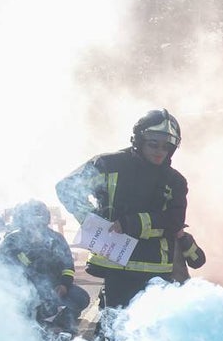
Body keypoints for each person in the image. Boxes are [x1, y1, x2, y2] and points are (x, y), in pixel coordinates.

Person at [56, 108, 188, 316]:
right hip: (116, 266)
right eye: (153, 144)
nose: (159, 151)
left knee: (154, 333)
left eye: (166, 146)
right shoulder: (108, 165)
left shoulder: (175, 180)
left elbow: (174, 219)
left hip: (155, 270)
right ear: (139, 140)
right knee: (113, 332)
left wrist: (130, 223)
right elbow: (67, 188)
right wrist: (92, 220)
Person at [0, 199, 91, 336]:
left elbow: (68, 266)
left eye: (40, 218)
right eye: (32, 219)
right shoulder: (12, 240)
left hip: (55, 289)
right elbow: (13, 270)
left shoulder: (56, 238)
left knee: (80, 298)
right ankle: (39, 322)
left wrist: (64, 285)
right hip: (25, 291)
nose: (36, 224)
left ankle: (55, 320)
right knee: (24, 307)